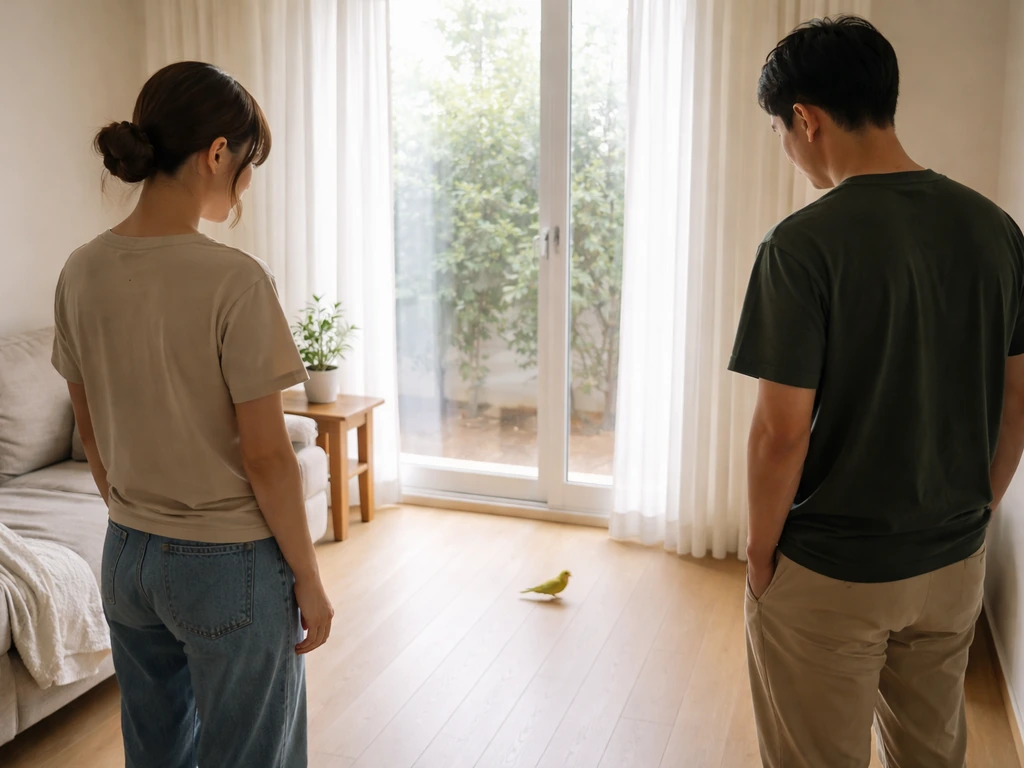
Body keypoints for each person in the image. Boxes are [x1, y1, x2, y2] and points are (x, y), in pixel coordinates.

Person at [730, 16, 1024, 768]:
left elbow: (781, 434)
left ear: (805, 119)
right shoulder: (996, 230)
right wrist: (976, 513)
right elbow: (1017, 401)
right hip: (953, 561)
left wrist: (760, 556)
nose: (787, 148)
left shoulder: (800, 246)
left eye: (780, 130)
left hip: (833, 568)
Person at [51, 61, 334, 767]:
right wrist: (309, 578)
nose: (246, 184)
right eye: (248, 164)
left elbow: (92, 433)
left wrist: (137, 518)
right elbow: (267, 457)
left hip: (126, 557)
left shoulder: (80, 269)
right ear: (216, 153)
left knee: (157, 755)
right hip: (227, 565)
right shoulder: (236, 279)